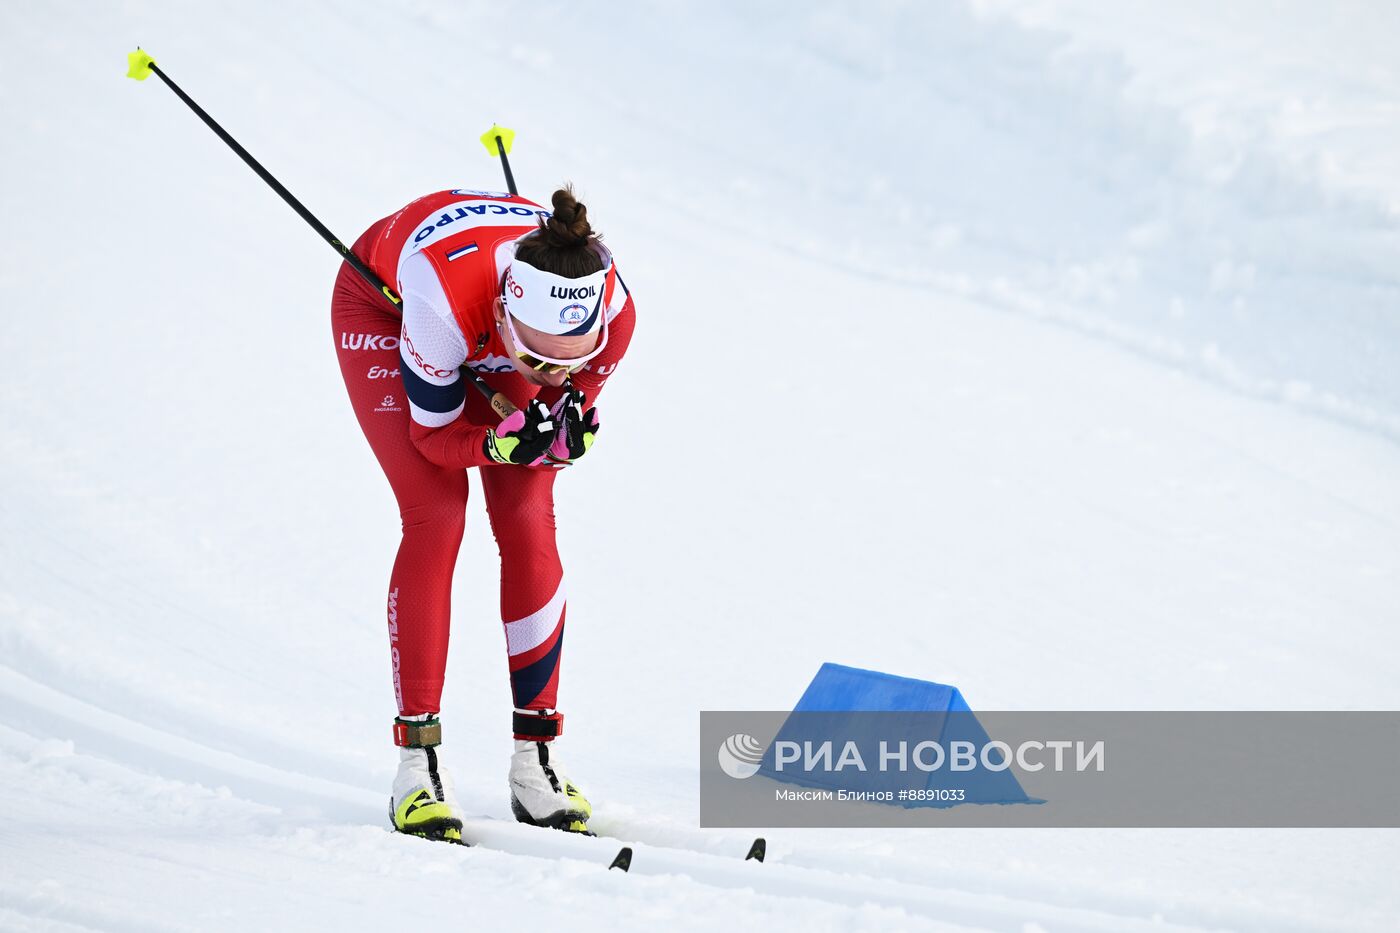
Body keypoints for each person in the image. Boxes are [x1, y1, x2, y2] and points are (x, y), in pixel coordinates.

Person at [330, 185, 636, 843]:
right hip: (387, 306)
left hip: (489, 327)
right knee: (437, 514)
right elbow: (432, 440)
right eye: (538, 362)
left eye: (571, 361)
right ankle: (416, 765)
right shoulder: (444, 306)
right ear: (505, 312)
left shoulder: (616, 309)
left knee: (529, 511)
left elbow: (568, 403)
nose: (555, 375)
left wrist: (565, 429)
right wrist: (497, 442)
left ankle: (537, 760)